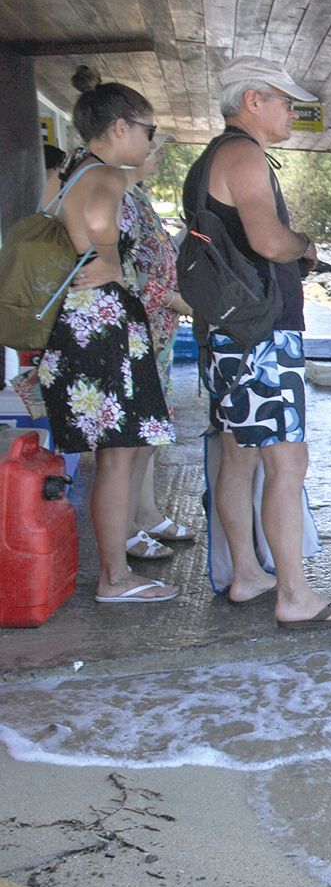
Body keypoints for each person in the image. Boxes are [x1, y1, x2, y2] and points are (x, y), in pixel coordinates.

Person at [200, 54, 331, 628]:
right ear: (252, 101)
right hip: (260, 334)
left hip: (230, 332)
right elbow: (268, 240)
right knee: (287, 461)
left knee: (239, 455)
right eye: (284, 100)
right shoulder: (243, 153)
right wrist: (307, 247)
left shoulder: (214, 157)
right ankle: (294, 594)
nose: (293, 109)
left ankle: (247, 573)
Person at [36, 66, 177, 604]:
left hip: (82, 326)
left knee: (112, 455)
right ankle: (114, 579)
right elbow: (98, 224)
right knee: (118, 454)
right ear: (120, 128)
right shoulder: (110, 177)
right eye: (149, 129)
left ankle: (116, 573)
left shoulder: (70, 171)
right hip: (103, 328)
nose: (151, 140)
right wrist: (113, 262)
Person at [121, 133, 197, 560]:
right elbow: (119, 269)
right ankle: (128, 526)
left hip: (158, 332)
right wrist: (172, 299)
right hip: (137, 330)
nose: (159, 159)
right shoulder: (118, 198)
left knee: (151, 431)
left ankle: (146, 512)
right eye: (156, 150)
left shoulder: (138, 198)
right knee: (132, 436)